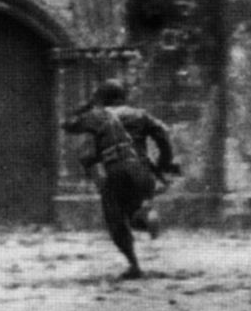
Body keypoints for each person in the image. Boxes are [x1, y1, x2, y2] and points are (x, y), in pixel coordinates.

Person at [61, 80, 179, 279]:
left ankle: (134, 264)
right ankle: (146, 213)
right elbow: (163, 134)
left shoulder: (98, 116)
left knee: (115, 218)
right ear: (123, 98)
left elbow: (68, 124)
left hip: (115, 171)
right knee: (135, 211)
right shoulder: (140, 115)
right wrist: (163, 164)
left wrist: (88, 105)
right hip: (143, 172)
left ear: (101, 100)